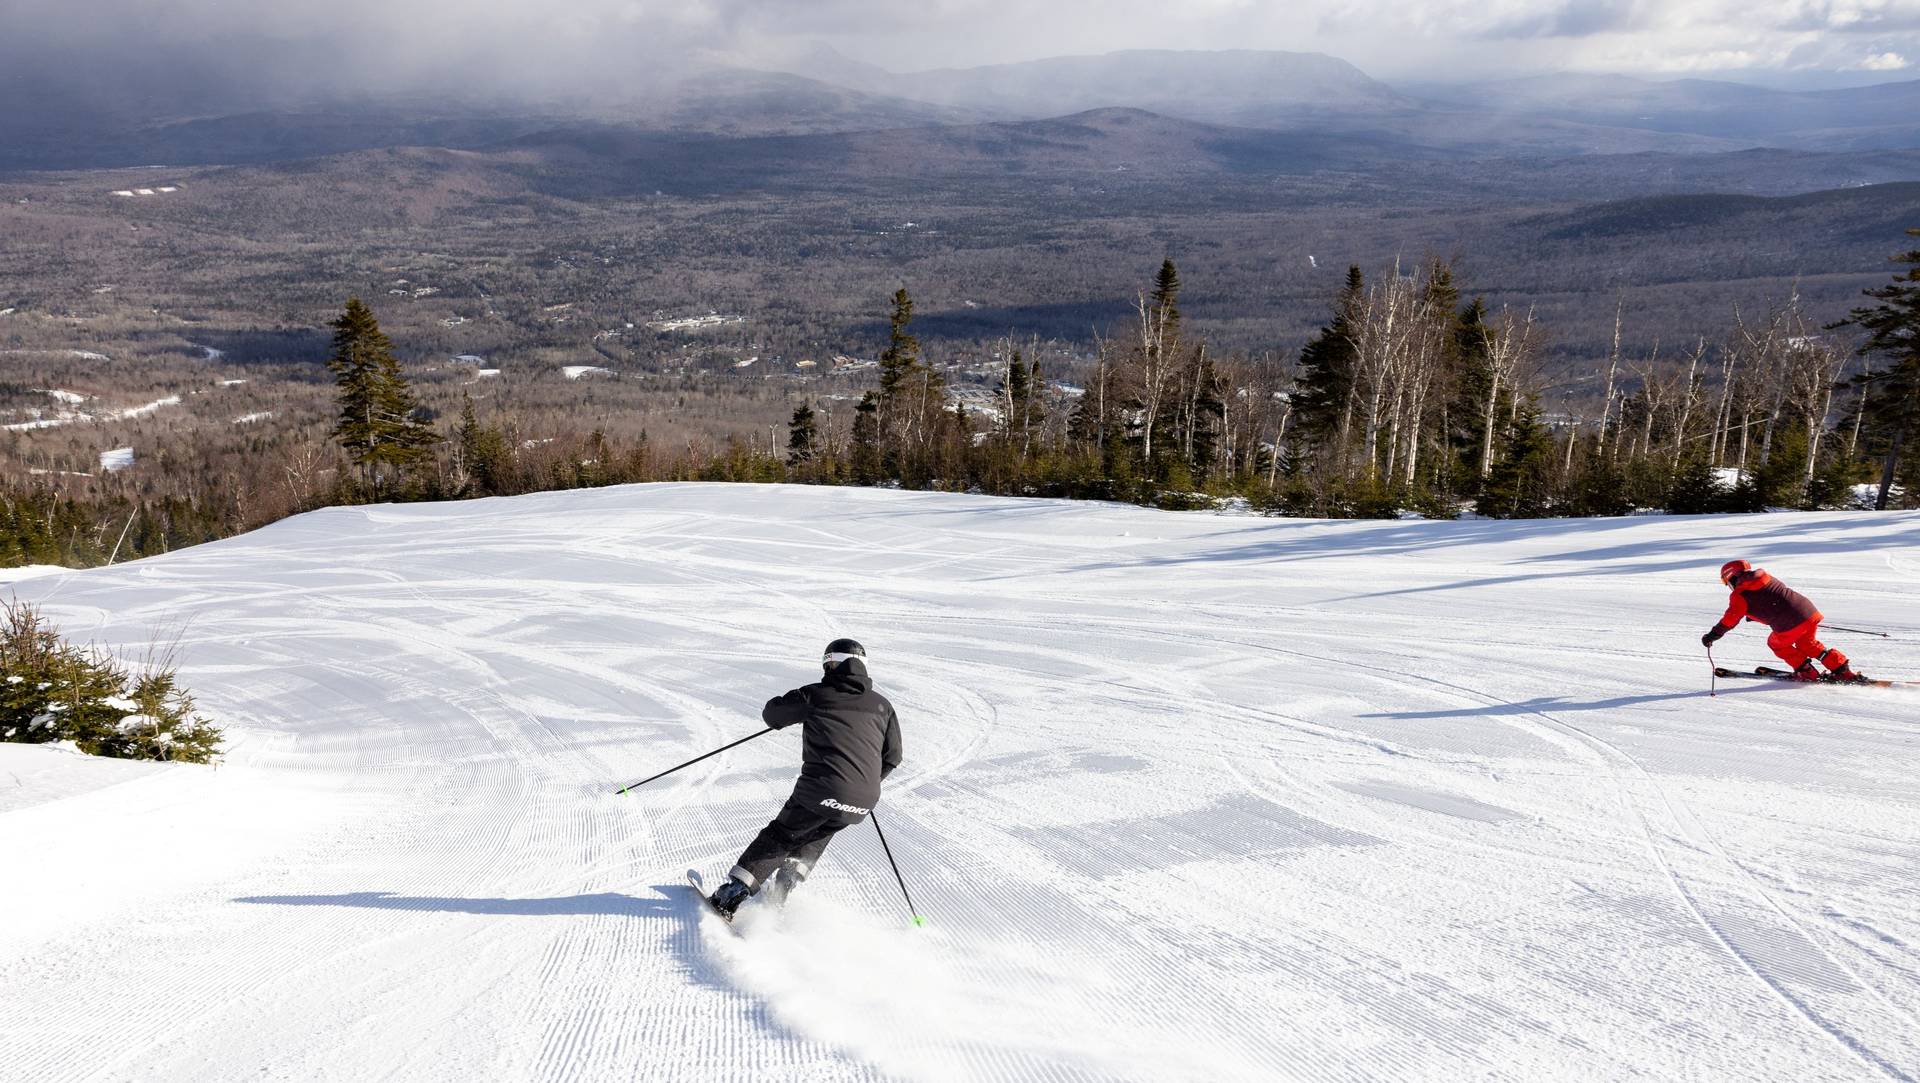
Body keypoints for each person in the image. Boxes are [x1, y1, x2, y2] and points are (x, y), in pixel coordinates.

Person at [707, 638, 903, 918]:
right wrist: (863, 781)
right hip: (863, 799)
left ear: (830, 663)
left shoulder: (818, 695)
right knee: (817, 833)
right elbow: (893, 756)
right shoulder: (882, 706)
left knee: (782, 834)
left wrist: (802, 708)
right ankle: (780, 893)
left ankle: (732, 894)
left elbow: (772, 713)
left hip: (821, 789)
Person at [1703, 560, 1864, 682]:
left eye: (1725, 582)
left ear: (1731, 576)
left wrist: (1713, 635)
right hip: (1809, 612)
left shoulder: (1739, 594)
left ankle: (1806, 672)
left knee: (1776, 643)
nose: (1727, 585)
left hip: (1790, 623)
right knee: (1807, 643)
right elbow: (1772, 598)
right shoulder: (1765, 577)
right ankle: (1842, 670)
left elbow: (1730, 619)